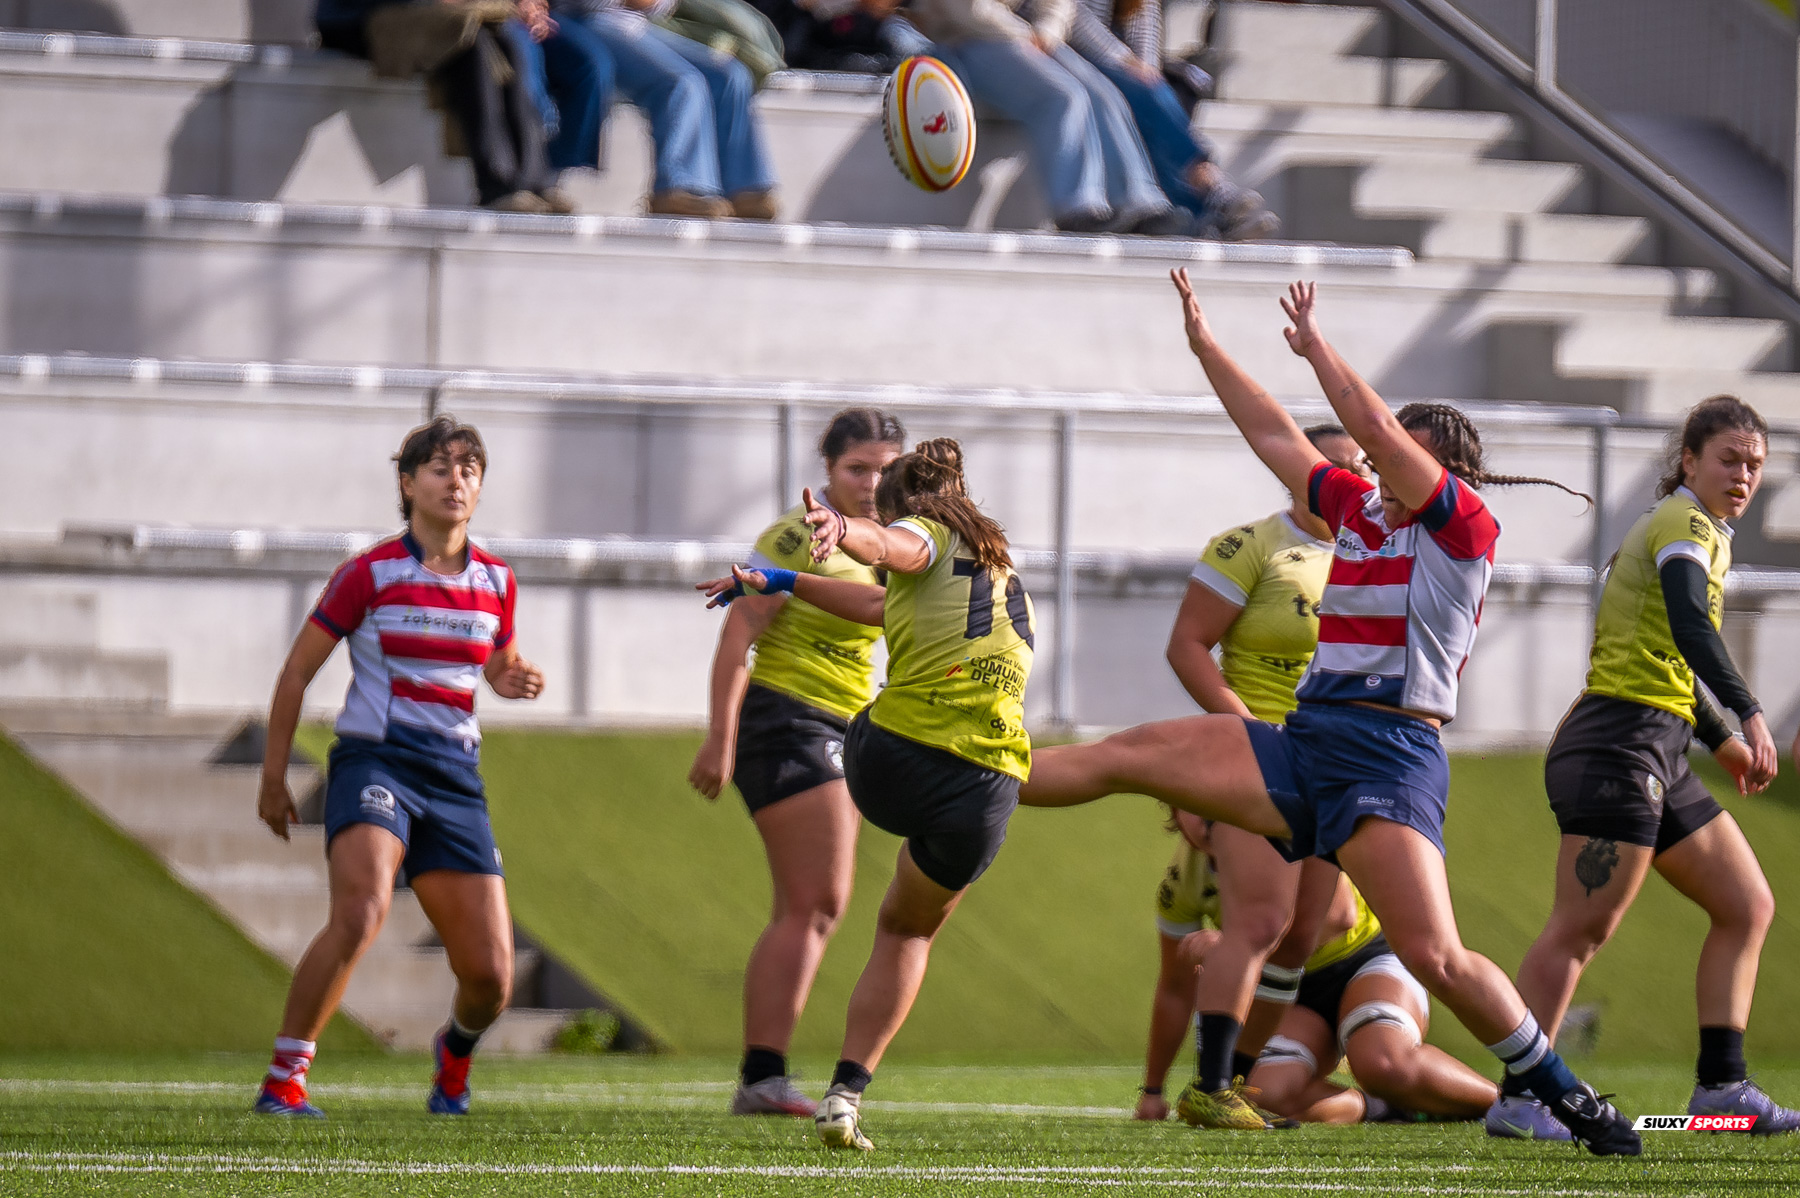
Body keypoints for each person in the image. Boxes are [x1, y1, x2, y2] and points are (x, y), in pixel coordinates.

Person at [1018, 272, 1642, 1156]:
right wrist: (1207, 350)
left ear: (1441, 473)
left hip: (1390, 754)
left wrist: (1318, 348)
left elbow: (1379, 430)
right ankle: (965, 766)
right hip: (1309, 739)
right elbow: (1272, 431)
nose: (1368, 467)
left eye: (1389, 460)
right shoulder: (1358, 509)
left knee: (1436, 957)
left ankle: (1568, 1100)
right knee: (1131, 754)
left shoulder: (1464, 526)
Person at [699, 438, 1035, 1152]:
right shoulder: (996, 560)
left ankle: (834, 1094)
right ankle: (847, 1088)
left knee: (887, 911)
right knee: (909, 929)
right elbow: (886, 587)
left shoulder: (922, 531)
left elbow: (892, 549)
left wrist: (849, 532)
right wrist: (789, 578)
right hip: (988, 783)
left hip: (897, 759)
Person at [1494, 396, 1796, 1139]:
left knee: (1746, 904)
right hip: (1616, 747)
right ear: (1688, 460)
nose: (1744, 474)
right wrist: (1750, 713)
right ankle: (1520, 1098)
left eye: (1755, 464)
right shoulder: (1685, 525)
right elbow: (1690, 623)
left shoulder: (1703, 532)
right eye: (1730, 459)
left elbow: (1666, 653)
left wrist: (1718, 736)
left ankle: (1723, 1087)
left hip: (1655, 746)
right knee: (1581, 929)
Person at [253, 417, 544, 1118]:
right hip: (376, 762)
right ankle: (285, 1079)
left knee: (492, 979)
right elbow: (296, 673)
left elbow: (497, 663)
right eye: (441, 468)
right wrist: (272, 777)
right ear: (408, 484)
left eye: (469, 469)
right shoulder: (370, 573)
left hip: (455, 776)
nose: (457, 480)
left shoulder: (497, 581)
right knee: (362, 910)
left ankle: (454, 1055)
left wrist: (511, 678)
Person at [1145, 426, 1368, 1128]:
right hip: (1266, 751)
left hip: (1341, 756)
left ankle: (1230, 1080)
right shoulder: (1251, 546)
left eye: (1358, 469)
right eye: (1332, 468)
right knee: (1262, 921)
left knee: (1310, 931)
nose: (1347, 482)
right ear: (1298, 475)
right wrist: (1247, 733)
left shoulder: (1376, 554)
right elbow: (1187, 646)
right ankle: (1211, 1084)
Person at [688, 408, 906, 1117]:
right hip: (787, 718)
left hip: (843, 724)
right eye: (857, 469)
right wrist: (720, 736)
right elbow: (737, 635)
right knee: (820, 899)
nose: (873, 483)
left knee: (808, 905)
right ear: (828, 471)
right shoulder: (796, 536)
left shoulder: (889, 544)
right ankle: (762, 1076)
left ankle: (762, 1075)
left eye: (885, 468)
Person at [1162, 818, 1498, 1124]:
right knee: (1264, 1095)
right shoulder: (1182, 877)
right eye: (1191, 805)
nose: (1204, 818)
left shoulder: (1275, 819)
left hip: (1363, 958)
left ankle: (1512, 1102)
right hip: (1292, 991)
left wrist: (1232, 947)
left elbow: (1339, 918)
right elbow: (1173, 987)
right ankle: (1384, 1108)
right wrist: (1151, 1091)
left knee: (1383, 1064)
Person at [908, 0, 1190, 234]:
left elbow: (1057, 4)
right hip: (964, 40)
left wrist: (1045, 32)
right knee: (1064, 96)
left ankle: (1139, 202)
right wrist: (1023, 34)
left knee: (1105, 94)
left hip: (1021, 37)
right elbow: (965, 9)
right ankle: (1076, 207)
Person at [316, 0, 576, 212]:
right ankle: (497, 185)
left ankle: (534, 180)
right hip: (357, 16)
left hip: (430, 13)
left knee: (509, 42)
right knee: (470, 43)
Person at [1065, 0, 1277, 239]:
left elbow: (1144, 16)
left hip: (1120, 67)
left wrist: (1145, 68)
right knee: (1145, 99)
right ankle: (1211, 190)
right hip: (1073, 57)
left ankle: (1206, 215)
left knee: (1154, 97)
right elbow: (1072, 18)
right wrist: (1125, 60)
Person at [552, 0, 781, 218]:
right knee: (682, 82)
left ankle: (743, 187)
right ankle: (676, 187)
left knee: (730, 75)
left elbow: (661, 6)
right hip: (578, 22)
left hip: (633, 25)